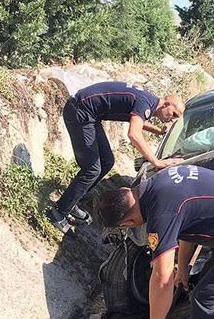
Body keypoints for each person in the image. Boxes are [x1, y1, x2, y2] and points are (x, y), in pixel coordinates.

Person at [94, 165, 214, 319]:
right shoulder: (158, 183)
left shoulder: (161, 211)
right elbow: (185, 228)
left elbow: (162, 278)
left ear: (126, 223)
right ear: (125, 190)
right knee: (204, 283)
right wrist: (183, 268)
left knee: (206, 302)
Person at [48, 81, 184, 234]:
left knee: (107, 161)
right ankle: (58, 212)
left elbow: (137, 120)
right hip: (80, 110)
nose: (172, 119)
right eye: (174, 114)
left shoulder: (148, 102)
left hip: (90, 114)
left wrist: (157, 131)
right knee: (92, 169)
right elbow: (134, 133)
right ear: (166, 104)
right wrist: (156, 161)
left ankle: (72, 200)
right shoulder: (144, 103)